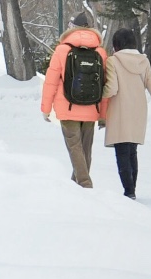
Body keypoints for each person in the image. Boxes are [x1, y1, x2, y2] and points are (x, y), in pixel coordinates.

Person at [102, 27, 151, 199]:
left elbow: (112, 89)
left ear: (116, 45)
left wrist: (99, 95)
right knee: (132, 151)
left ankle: (129, 192)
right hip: (138, 111)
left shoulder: (113, 61)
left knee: (121, 152)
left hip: (119, 111)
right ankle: (132, 190)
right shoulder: (144, 62)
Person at [39, 13, 110, 188]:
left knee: (74, 146)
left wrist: (46, 108)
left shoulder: (62, 50)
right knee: (85, 148)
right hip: (91, 106)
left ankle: (85, 183)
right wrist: (103, 114)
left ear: (72, 28)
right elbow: (105, 85)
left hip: (67, 107)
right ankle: (77, 184)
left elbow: (51, 81)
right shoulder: (100, 52)